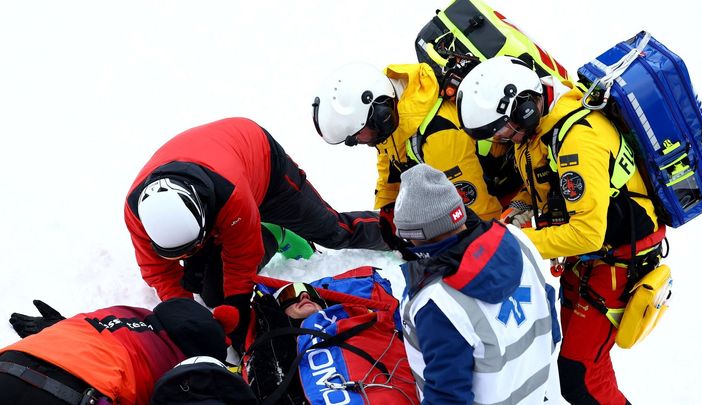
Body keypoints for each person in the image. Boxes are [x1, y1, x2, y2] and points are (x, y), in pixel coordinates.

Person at [456, 56, 667, 404]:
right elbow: (543, 187)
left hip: (616, 264)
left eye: (501, 130)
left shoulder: (577, 142)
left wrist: (510, 242)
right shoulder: (539, 130)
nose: (501, 139)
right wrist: (521, 209)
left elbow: (587, 233)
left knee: (580, 377)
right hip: (588, 260)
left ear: (522, 108)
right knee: (579, 360)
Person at [124, 117, 389, 352]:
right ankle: (261, 232)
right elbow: (159, 271)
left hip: (262, 165)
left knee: (335, 232)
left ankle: (398, 230)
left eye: (190, 249)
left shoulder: (231, 193)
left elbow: (241, 258)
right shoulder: (137, 212)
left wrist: (238, 305)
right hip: (217, 178)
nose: (186, 257)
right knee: (211, 293)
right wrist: (185, 314)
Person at [393, 163, 559, 405]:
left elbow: (448, 398)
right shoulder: (516, 238)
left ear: (417, 237)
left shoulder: (438, 303)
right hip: (538, 394)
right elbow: (550, 312)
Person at [312, 62, 522, 247]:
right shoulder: (397, 109)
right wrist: (388, 205)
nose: (358, 141)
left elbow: (478, 211)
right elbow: (389, 158)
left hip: (495, 189)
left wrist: (467, 255)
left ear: (379, 116)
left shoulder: (439, 137)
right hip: (463, 183)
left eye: (358, 135)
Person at [1, 298, 236, 404]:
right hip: (81, 393)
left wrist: (59, 328)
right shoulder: (179, 367)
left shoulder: (122, 311)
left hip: (11, 364)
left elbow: (94, 339)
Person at [245, 280, 418, 405]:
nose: (304, 295)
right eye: (289, 294)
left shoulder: (360, 318)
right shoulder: (273, 341)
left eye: (312, 293)